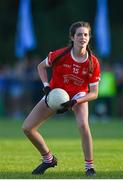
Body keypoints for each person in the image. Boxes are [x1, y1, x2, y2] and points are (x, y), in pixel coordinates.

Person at [22, 21, 100, 176]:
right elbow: (40, 66)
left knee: (83, 125)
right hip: (55, 94)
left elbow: (94, 93)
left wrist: (75, 102)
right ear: (72, 37)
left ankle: (89, 167)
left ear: (89, 37)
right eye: (79, 34)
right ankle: (48, 159)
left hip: (78, 96)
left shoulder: (93, 62)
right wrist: (46, 86)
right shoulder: (60, 54)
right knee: (27, 128)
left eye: (86, 34)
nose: (82, 37)